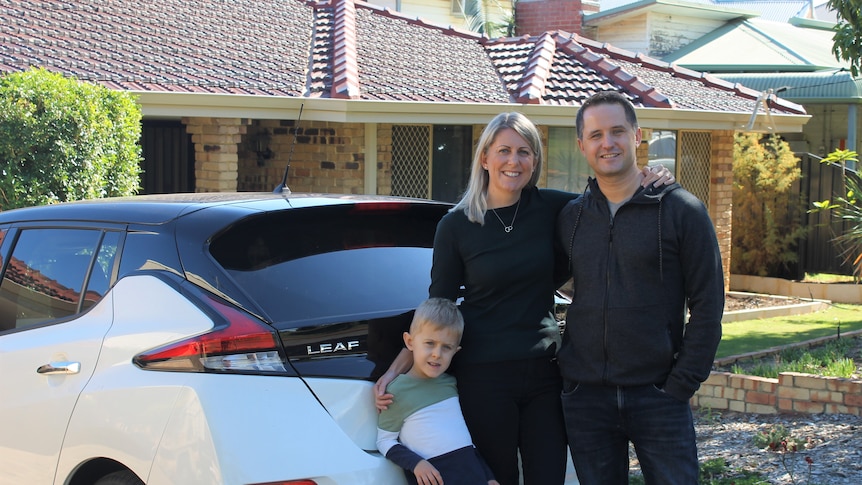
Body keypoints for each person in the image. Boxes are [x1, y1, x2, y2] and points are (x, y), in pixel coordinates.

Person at [375, 111, 674, 485]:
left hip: (545, 371)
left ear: (535, 160)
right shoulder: (456, 225)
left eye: (524, 152)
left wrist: (650, 176)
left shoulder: (552, 208)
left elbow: (610, 198)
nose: (513, 161)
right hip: (484, 376)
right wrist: (395, 369)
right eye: (503, 151)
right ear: (484, 158)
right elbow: (440, 308)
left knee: (548, 476)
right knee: (498, 477)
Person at [556, 90, 724, 485]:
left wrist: (681, 384)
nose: (607, 143)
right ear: (582, 145)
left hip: (658, 395)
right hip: (586, 399)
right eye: (596, 135)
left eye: (617, 131)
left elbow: (708, 305)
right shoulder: (571, 218)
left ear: (637, 135)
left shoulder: (682, 211)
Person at [376, 298, 499, 485]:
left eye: (446, 347)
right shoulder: (396, 392)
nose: (437, 354)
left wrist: (488, 477)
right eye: (429, 343)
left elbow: (466, 443)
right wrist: (417, 464)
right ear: (410, 342)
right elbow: (384, 441)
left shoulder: (451, 384)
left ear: (455, 351)